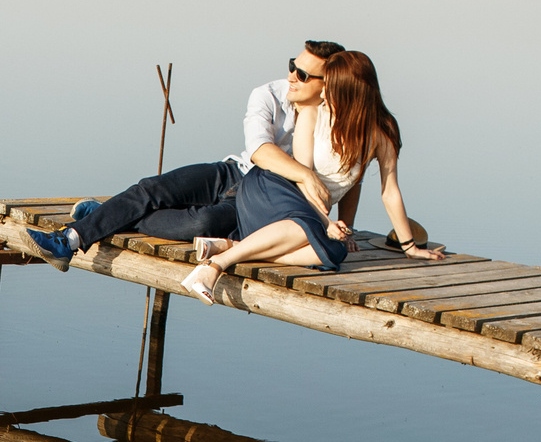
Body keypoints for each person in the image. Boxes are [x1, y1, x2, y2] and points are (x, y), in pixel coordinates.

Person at [18, 43, 421, 266]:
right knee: (153, 188)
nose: (292, 77)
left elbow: (350, 176)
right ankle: (70, 239)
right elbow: (260, 151)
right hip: (235, 170)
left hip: (264, 200)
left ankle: (107, 215)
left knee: (204, 221)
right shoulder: (269, 95)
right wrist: (307, 177)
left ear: (328, 83)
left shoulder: (333, 116)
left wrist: (343, 222)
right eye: (291, 67)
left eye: (303, 74)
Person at [176, 49, 439, 305]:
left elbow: (390, 191)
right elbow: (303, 180)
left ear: (349, 91)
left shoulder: (382, 132)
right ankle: (214, 266)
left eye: (329, 87)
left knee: (334, 253)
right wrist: (326, 222)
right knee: (308, 228)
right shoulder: (313, 115)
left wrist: (410, 247)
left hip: (306, 213)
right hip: (271, 188)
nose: (322, 93)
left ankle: (234, 246)